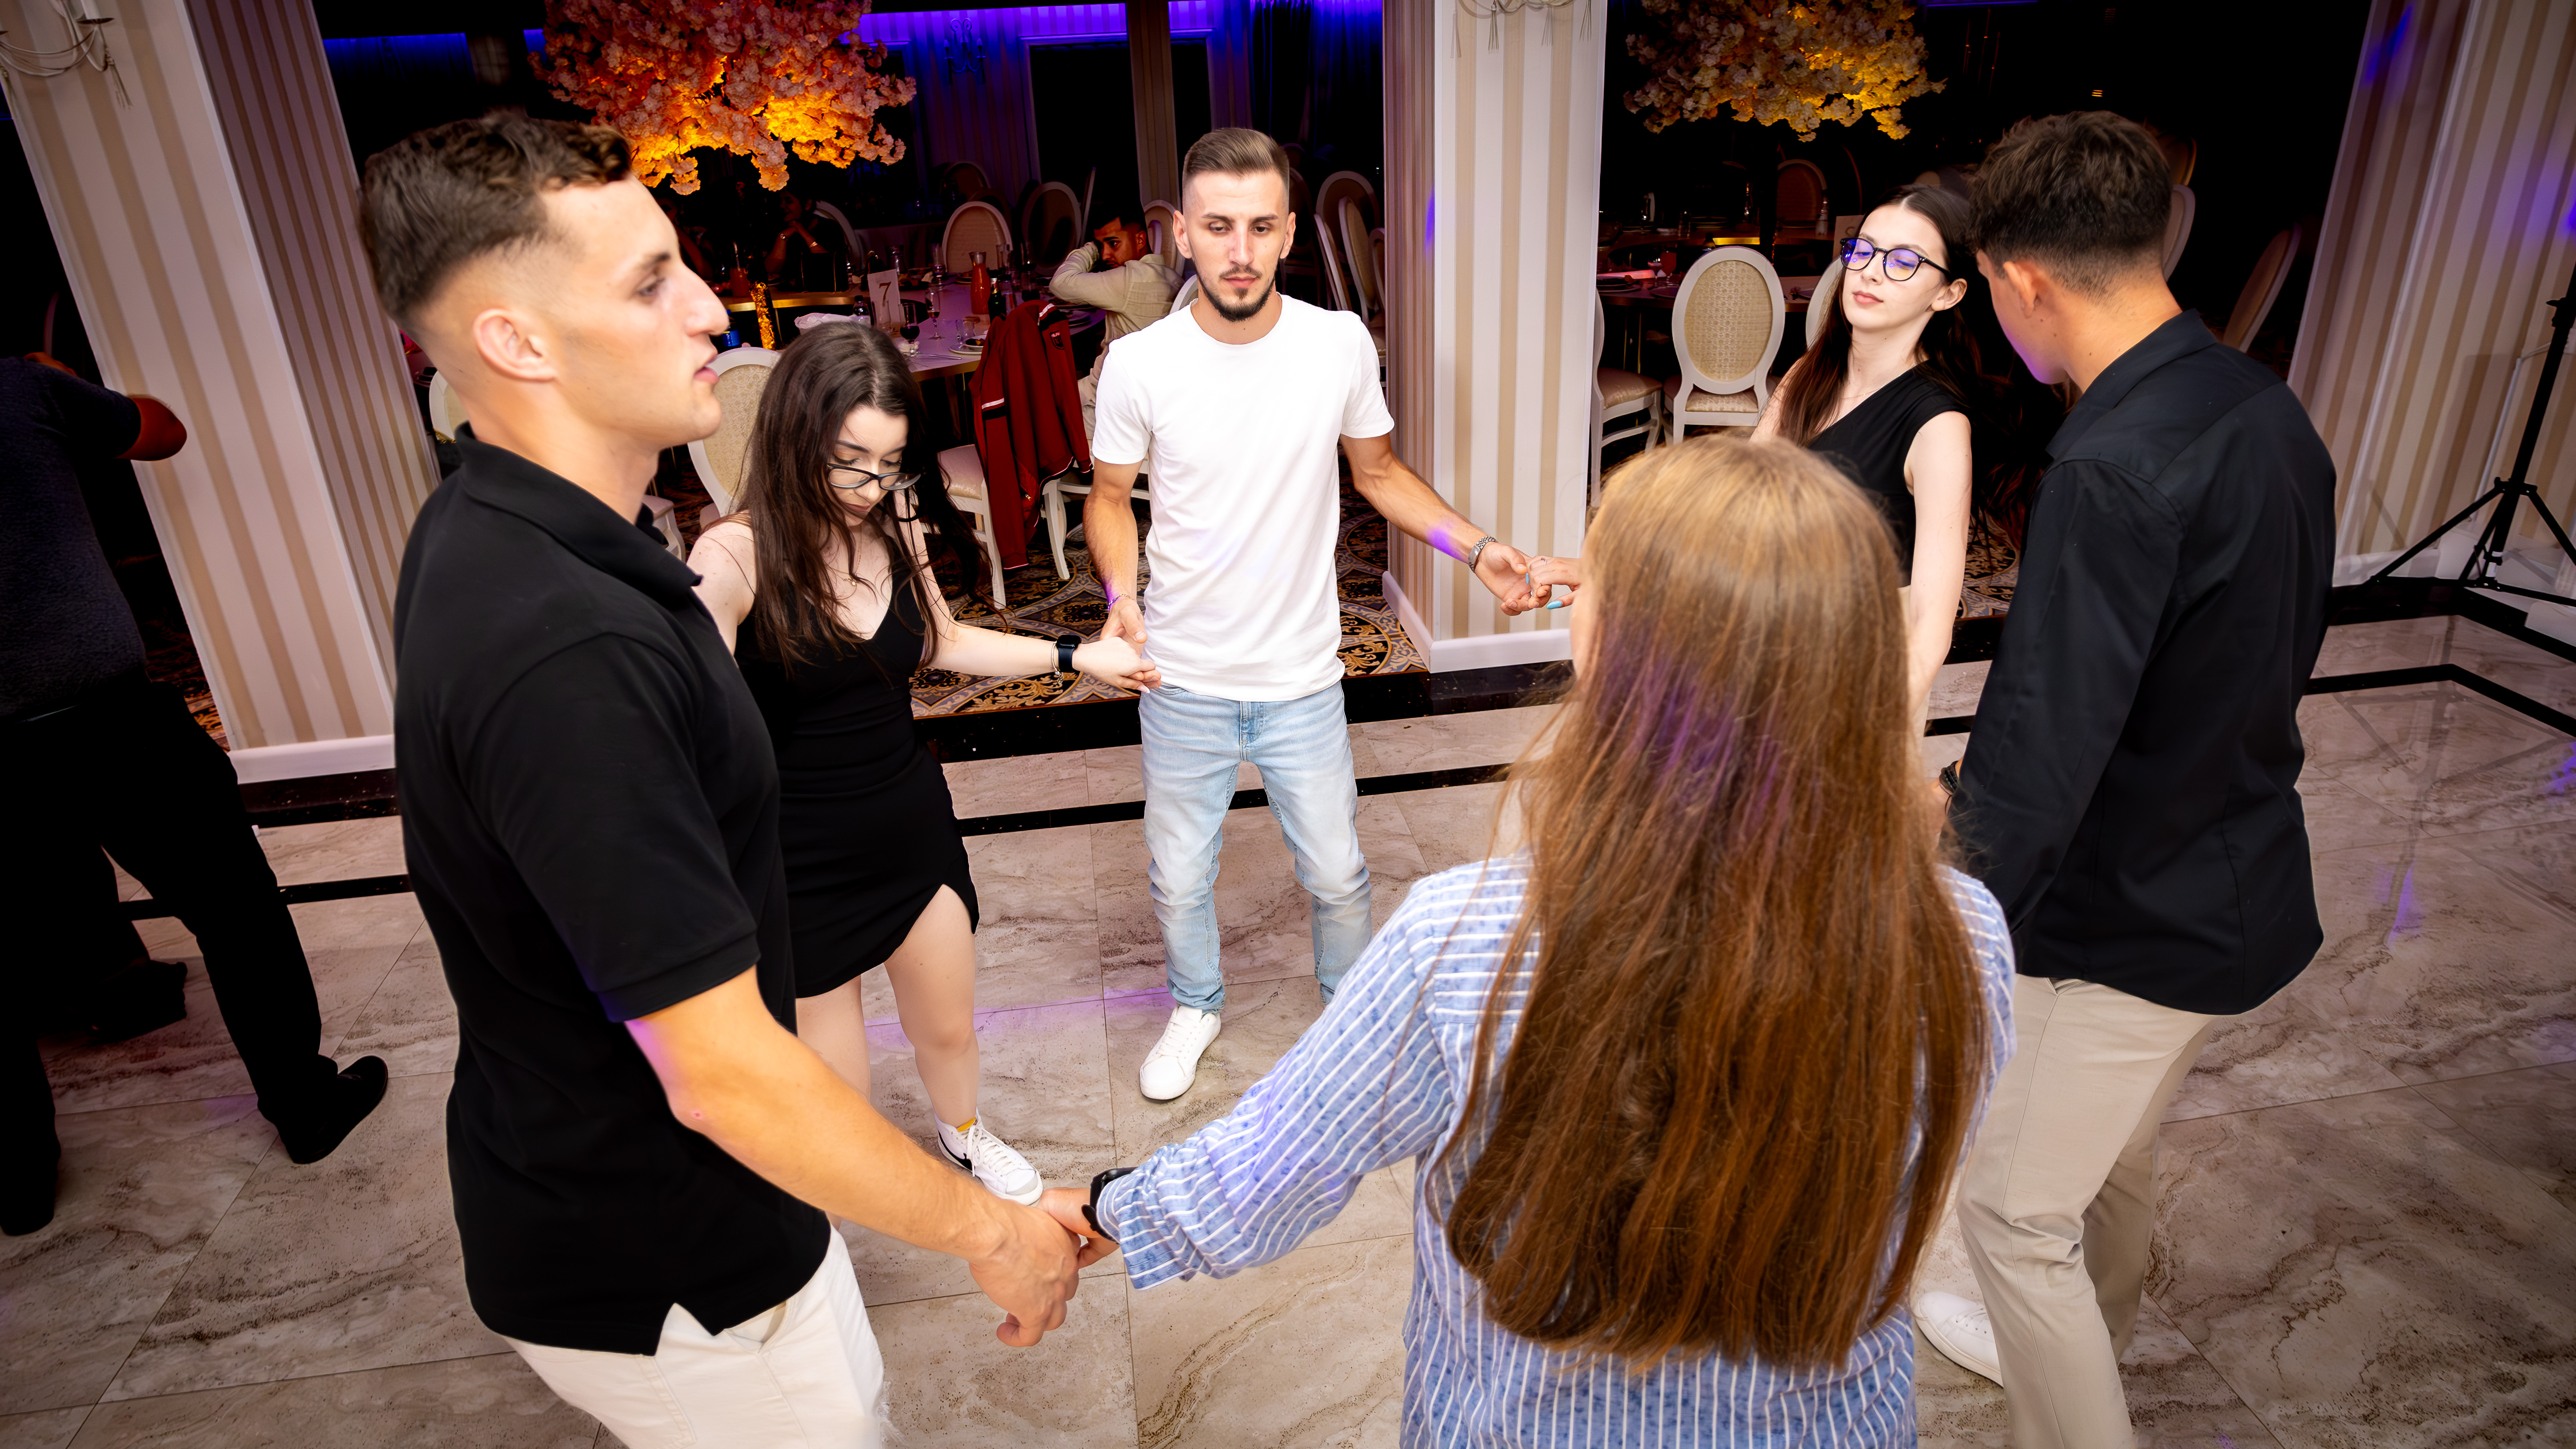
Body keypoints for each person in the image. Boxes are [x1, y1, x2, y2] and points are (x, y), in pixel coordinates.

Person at [363, 114, 1098, 1445]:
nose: (713, 309)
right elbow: (723, 1074)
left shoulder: (507, 531)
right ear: (517, 342)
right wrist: (994, 1233)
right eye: (652, 281)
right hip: (681, 1266)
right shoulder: (570, 644)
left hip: (684, 1208)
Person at [1046, 437, 2016, 1444]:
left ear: (1611, 650)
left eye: (1592, 580)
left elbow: (1268, 1171)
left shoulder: (1468, 939)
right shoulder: (1968, 934)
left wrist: (1103, 1212)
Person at [1920, 112, 2335, 1448]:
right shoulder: (2259, 403)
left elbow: (2041, 750)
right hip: (2236, 867)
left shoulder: (2107, 466)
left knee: (2008, 1214)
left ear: (2020, 279)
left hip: (2131, 910)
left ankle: (2072, 1393)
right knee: (2111, 1156)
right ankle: (2085, 1343)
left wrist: (1945, 912)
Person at [1084, 128, 1541, 1101]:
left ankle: (1349, 1012)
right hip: (1180, 673)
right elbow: (1110, 497)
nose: (1239, 250)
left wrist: (1477, 547)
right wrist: (1121, 601)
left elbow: (1379, 473)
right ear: (1182, 235)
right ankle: (1196, 1004)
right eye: (1217, 227)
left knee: (1337, 874)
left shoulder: (1336, 343)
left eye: (1259, 227)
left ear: (1288, 232)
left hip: (1301, 676)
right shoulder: (1141, 363)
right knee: (1178, 875)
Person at [688, 323, 1157, 1205]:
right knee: (837, 1088)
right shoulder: (731, 557)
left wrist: (1076, 656)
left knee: (948, 1030)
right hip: (799, 858)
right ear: (794, 436)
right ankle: (831, 1213)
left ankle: (964, 1133)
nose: (870, 487)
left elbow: (940, 639)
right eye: (849, 462)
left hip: (908, 823)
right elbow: (695, 725)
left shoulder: (893, 520)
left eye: (889, 464)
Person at [2, 352, 385, 1238]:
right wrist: (65, 383)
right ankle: (304, 1103)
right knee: (235, 905)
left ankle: (18, 1178)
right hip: (106, 718)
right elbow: (161, 429)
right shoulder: (22, 384)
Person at [1756, 184, 1977, 709]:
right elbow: (1736, 504)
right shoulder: (1810, 371)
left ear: (1947, 294)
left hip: (1857, 678)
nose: (1871, 272)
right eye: (1864, 250)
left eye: (1903, 261)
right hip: (1767, 645)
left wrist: (1871, 731)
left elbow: (1930, 624)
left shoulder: (1939, 425)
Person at [1045, 204, 1179, 439]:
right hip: (1145, 402)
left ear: (1140, 240)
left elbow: (1060, 283)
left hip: (1114, 410)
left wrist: (1090, 249)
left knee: (1034, 414)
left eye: (1113, 243)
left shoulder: (1128, 280)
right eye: (1101, 247)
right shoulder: (1174, 278)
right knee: (1047, 395)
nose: (1106, 255)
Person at [763, 190, 849, 292]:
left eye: (788, 201)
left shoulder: (829, 227)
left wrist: (803, 232)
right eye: (779, 201)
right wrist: (782, 237)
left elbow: (829, 268)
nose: (782, 206)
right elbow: (769, 271)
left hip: (826, 294)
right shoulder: (776, 228)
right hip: (788, 296)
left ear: (807, 204)